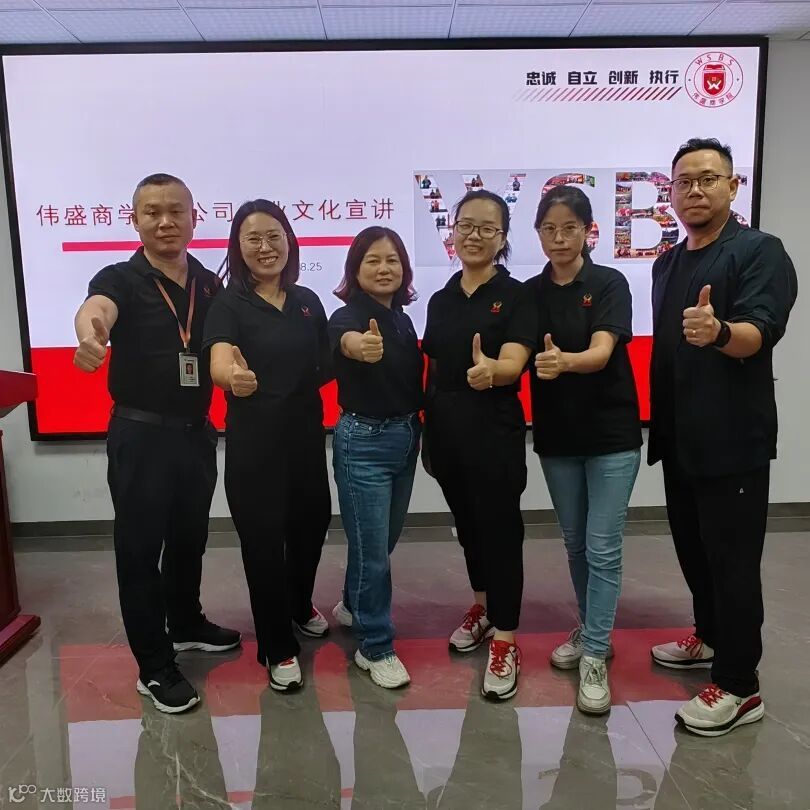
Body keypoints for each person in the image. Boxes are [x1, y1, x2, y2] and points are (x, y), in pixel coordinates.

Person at [73, 173, 240, 715]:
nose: (165, 222)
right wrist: (90, 333)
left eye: (176, 211)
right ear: (135, 219)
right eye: (152, 212)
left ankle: (185, 622)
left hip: (195, 432)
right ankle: (154, 665)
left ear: (194, 218)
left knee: (190, 539)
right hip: (141, 434)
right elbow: (96, 308)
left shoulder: (209, 284)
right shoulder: (121, 277)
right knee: (140, 551)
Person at [648, 138, 797, 736]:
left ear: (733, 187)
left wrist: (719, 332)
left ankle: (739, 685)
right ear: (671, 192)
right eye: (684, 181)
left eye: (709, 179)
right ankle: (709, 637)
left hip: (733, 441)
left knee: (733, 564)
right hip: (680, 439)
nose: (695, 190)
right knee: (694, 551)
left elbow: (761, 331)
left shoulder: (760, 251)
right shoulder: (666, 262)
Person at [202, 199, 332, 693]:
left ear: (289, 241)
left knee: (311, 525)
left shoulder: (307, 301)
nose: (265, 247)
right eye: (253, 238)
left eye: (274, 236)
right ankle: (278, 646)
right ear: (237, 247)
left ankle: (297, 604)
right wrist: (231, 377)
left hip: (305, 439)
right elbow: (219, 359)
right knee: (262, 544)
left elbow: (326, 363)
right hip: (255, 447)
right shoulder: (228, 303)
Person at [527, 185, 642, 715]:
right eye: (549, 229)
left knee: (603, 547)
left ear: (587, 230)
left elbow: (600, 352)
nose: (559, 238)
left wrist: (564, 363)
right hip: (558, 438)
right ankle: (592, 628)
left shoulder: (609, 282)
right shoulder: (531, 293)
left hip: (611, 435)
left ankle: (594, 654)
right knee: (575, 544)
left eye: (569, 228)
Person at [422, 189, 537, 700]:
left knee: (500, 531)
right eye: (466, 225)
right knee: (468, 527)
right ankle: (484, 608)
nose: (474, 236)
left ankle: (506, 637)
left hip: (493, 432)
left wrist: (495, 371)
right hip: (447, 434)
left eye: (487, 228)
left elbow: (514, 362)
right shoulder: (441, 298)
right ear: (452, 230)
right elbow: (433, 367)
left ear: (503, 237)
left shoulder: (517, 296)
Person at [328, 227, 423, 689]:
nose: (384, 269)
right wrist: (359, 347)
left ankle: (352, 605)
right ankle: (375, 646)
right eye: (373, 261)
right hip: (363, 442)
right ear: (355, 269)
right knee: (374, 553)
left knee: (378, 544)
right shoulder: (347, 317)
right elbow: (347, 341)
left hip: (405, 437)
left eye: (392, 260)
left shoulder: (402, 320)